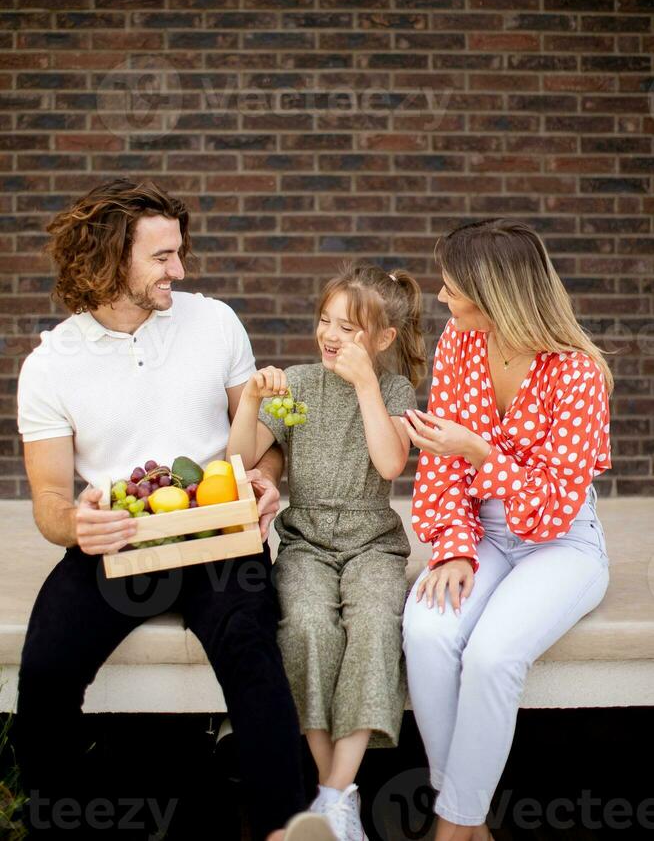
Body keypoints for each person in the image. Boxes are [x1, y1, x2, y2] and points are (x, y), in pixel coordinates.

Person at [15, 178, 337, 841]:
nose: (179, 270)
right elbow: (49, 499)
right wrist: (77, 524)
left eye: (179, 253)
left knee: (252, 651)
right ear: (109, 259)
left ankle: (289, 828)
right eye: (162, 257)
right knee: (45, 671)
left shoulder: (214, 322)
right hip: (121, 540)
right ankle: (57, 818)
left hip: (219, 533)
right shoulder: (51, 365)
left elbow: (260, 442)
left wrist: (266, 478)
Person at [401, 219, 612, 841]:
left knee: (493, 656)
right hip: (483, 532)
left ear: (495, 296)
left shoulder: (576, 373)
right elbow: (441, 461)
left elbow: (549, 508)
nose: (442, 299)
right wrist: (455, 546)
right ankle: (471, 820)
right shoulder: (458, 343)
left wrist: (485, 457)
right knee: (429, 629)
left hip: (562, 540)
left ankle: (451, 827)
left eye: (452, 289)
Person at [227, 263, 428, 841]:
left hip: (372, 544)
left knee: (372, 626)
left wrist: (366, 383)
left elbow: (390, 463)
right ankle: (330, 792)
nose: (331, 335)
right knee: (308, 626)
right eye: (324, 321)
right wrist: (250, 404)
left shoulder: (392, 389)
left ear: (384, 339)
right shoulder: (298, 384)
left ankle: (337, 793)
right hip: (307, 542)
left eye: (349, 327)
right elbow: (239, 461)